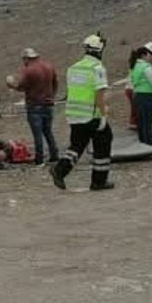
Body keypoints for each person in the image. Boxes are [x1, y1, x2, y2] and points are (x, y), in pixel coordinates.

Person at [51, 34, 113, 191]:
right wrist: (103, 114)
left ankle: (60, 170)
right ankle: (99, 181)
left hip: (74, 114)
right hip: (91, 115)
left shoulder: (74, 68)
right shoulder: (97, 69)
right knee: (103, 143)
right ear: (100, 51)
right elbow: (99, 94)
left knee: (77, 145)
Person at [8, 48, 59, 165]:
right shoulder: (49, 67)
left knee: (37, 134)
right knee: (48, 131)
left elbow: (21, 87)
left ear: (27, 58)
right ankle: (54, 154)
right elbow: (55, 83)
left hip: (34, 105)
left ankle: (39, 158)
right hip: (48, 104)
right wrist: (52, 96)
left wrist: (11, 85)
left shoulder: (28, 70)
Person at [128, 44, 152, 146]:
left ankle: (142, 142)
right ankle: (150, 142)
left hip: (137, 95)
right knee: (148, 121)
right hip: (147, 96)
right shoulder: (146, 67)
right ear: (144, 55)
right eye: (150, 55)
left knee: (141, 121)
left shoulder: (135, 65)